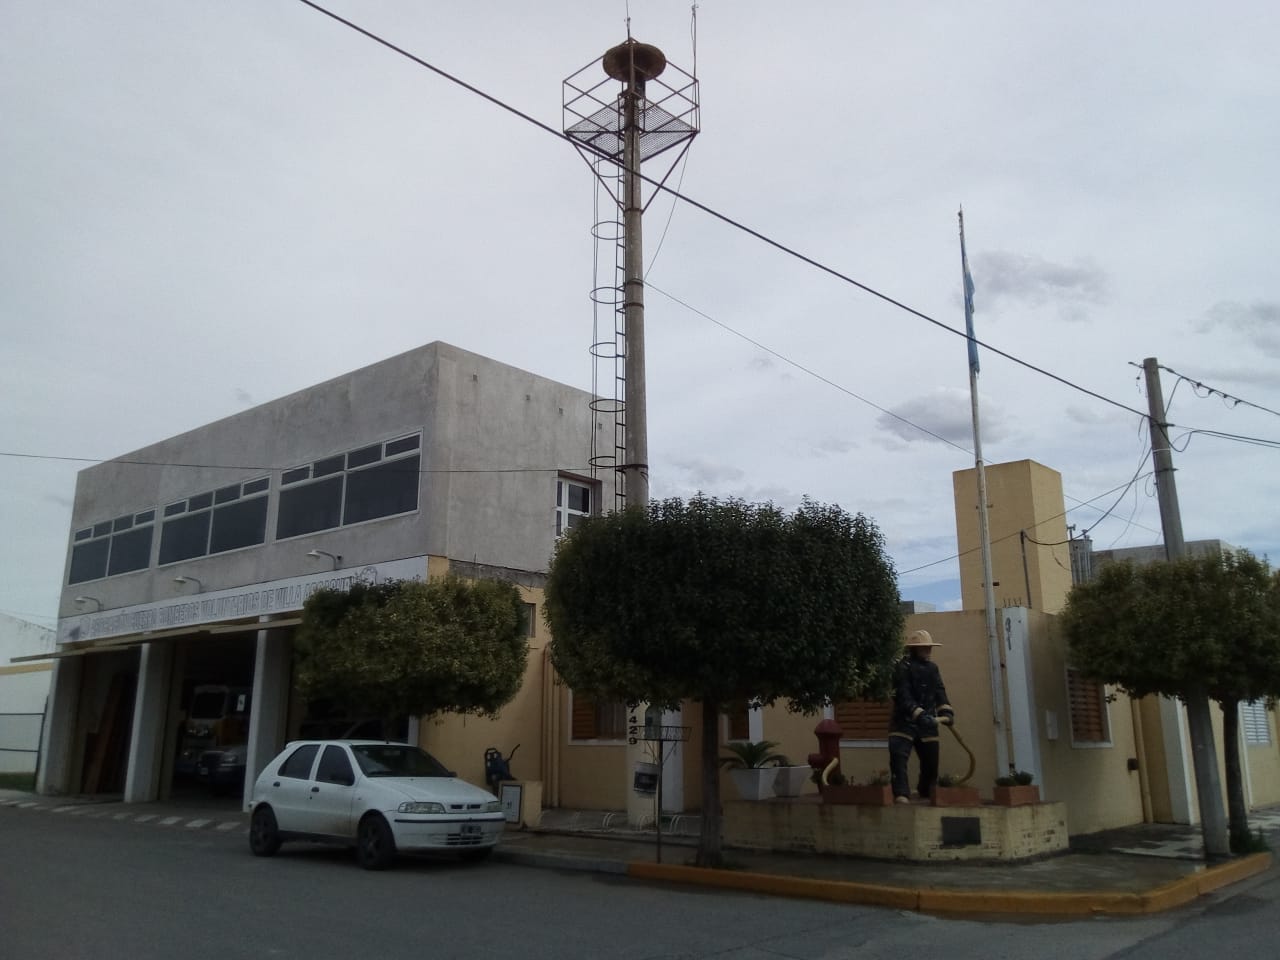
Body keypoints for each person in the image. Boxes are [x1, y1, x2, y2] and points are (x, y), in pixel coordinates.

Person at [888, 629, 955, 804]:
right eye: (924, 648)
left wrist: (946, 711)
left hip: (928, 723)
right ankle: (901, 793)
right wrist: (917, 713)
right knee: (899, 760)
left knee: (931, 763)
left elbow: (940, 691)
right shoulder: (902, 667)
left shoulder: (933, 668)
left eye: (929, 647)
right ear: (914, 649)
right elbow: (902, 694)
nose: (928, 651)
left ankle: (926, 791)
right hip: (904, 722)